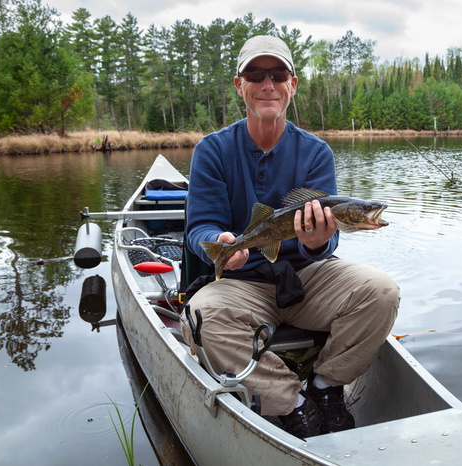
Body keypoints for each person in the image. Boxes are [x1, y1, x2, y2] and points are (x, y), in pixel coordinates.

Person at [180, 35, 400, 439]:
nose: (268, 84)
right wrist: (223, 243)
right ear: (239, 85)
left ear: (292, 85)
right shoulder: (212, 151)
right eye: (256, 74)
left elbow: (327, 246)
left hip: (307, 278)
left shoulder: (316, 153)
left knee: (381, 292)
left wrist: (317, 242)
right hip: (240, 284)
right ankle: (293, 403)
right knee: (199, 319)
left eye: (278, 74)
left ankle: (326, 387)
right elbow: (200, 228)